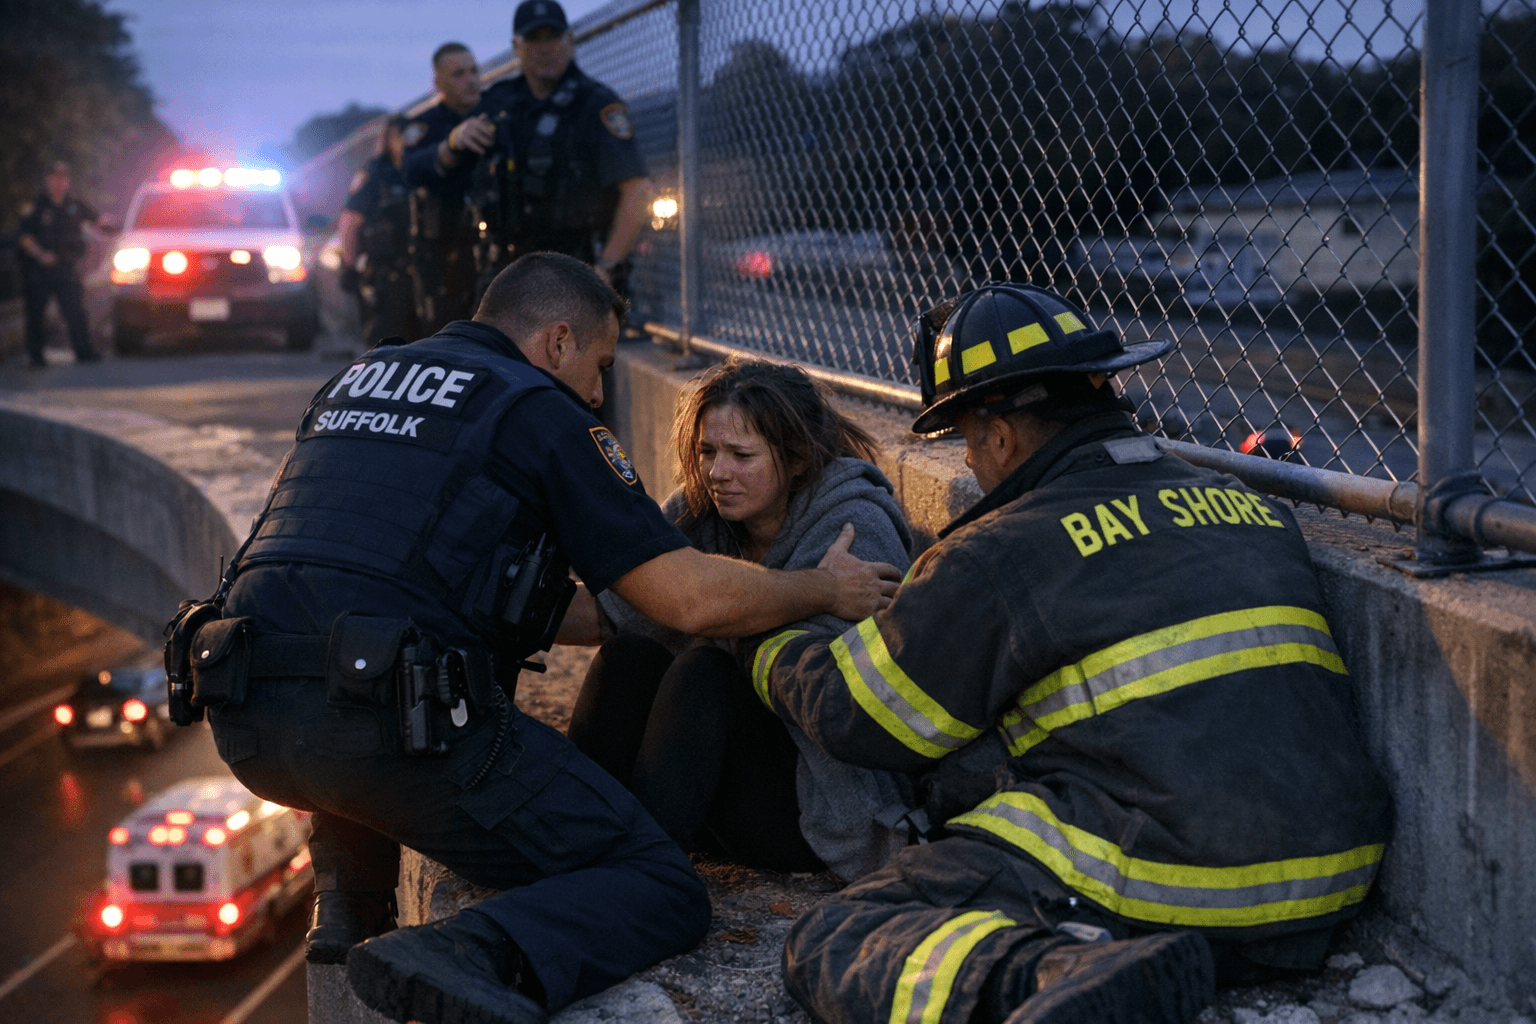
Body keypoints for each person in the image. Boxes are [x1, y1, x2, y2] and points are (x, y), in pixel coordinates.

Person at [168, 253, 899, 1024]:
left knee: (348, 651)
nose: (597, 391)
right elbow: (683, 596)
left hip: (243, 715)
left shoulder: (360, 379)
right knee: (660, 884)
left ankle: (346, 902)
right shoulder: (537, 410)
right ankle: (468, 952)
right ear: (558, 342)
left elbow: (348, 569)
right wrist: (823, 587)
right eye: (601, 365)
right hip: (391, 739)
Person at [747, 284, 1395, 1024]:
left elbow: (865, 718)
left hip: (1177, 877)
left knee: (838, 937)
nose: (971, 460)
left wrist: (772, 635)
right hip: (1330, 878)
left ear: (999, 437)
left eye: (965, 439)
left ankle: (1054, 977)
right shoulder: (1250, 509)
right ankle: (1141, 963)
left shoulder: (1002, 549)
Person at [566, 358, 916, 881]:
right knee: (629, 655)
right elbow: (615, 612)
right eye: (708, 451)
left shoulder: (855, 525)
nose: (717, 472)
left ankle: (638, 880)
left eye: (741, 455)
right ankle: (571, 840)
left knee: (704, 672)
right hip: (718, 789)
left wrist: (712, 614)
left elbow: (834, 702)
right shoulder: (699, 510)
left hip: (817, 807)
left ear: (796, 460)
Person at [406, 0, 652, 295]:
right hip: (504, 275)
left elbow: (637, 192)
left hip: (571, 274)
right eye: (535, 39)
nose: (545, 48)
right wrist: (453, 142)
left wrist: (605, 270)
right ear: (517, 46)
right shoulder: (498, 104)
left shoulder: (595, 106)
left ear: (570, 41)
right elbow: (415, 171)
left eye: (553, 37)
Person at [405, 42, 484, 334]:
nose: (471, 80)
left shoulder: (497, 114)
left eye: (474, 71)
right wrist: (450, 146)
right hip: (446, 253)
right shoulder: (425, 126)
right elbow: (412, 169)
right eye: (459, 74)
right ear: (438, 81)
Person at [16, 160, 112, 366]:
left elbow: (98, 221)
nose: (59, 183)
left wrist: (110, 225)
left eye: (63, 179)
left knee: (76, 311)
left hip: (66, 266)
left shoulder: (75, 205)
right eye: (55, 178)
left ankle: (84, 351)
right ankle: (36, 356)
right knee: (36, 313)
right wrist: (39, 254)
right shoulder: (35, 205)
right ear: (47, 180)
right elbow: (24, 236)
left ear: (68, 181)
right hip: (40, 268)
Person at [338, 116, 419, 342]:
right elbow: (350, 221)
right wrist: (349, 266)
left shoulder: (421, 169)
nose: (404, 142)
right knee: (387, 337)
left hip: (421, 265)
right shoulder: (375, 174)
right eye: (398, 135)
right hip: (387, 271)